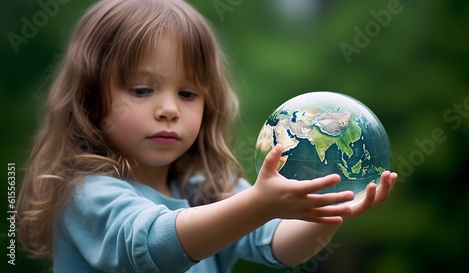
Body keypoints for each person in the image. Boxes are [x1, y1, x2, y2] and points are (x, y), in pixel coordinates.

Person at [16, 0, 398, 272]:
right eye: (141, 90)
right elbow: (152, 247)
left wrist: (323, 212)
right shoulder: (86, 192)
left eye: (187, 93)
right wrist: (257, 205)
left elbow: (281, 245)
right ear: (90, 99)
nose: (170, 109)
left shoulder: (207, 188)